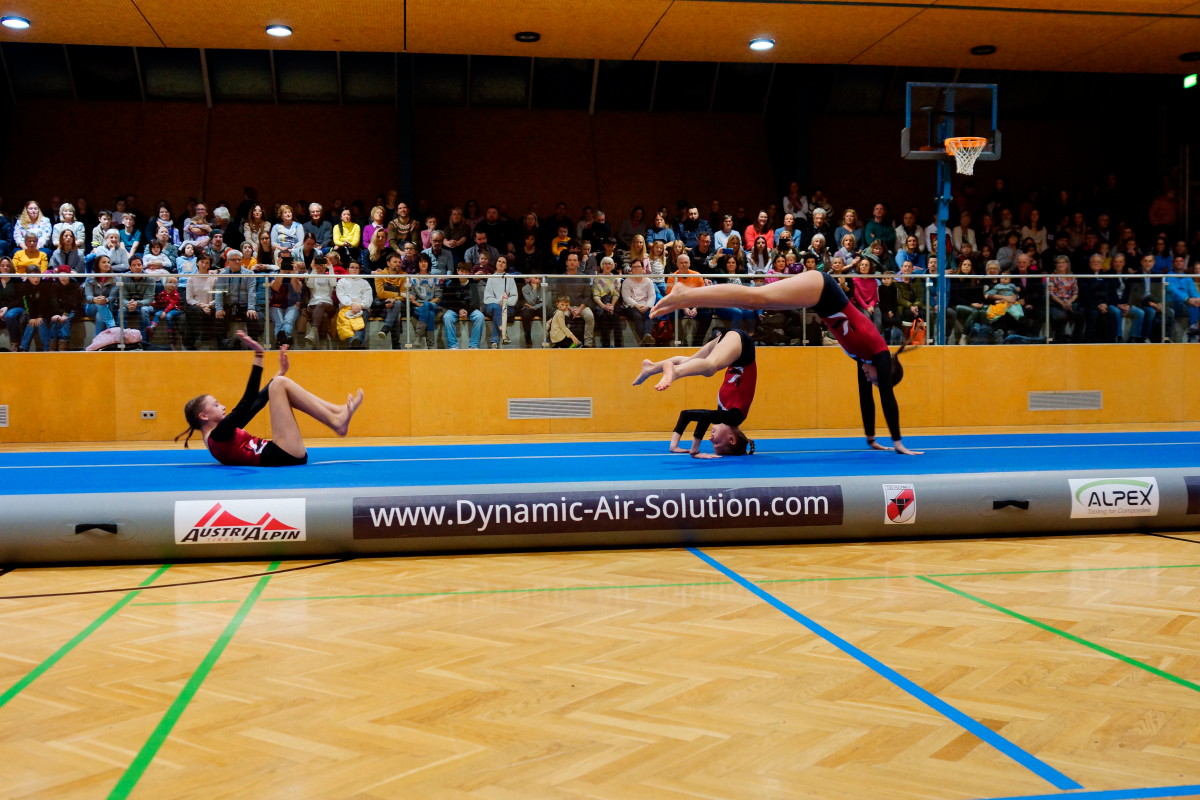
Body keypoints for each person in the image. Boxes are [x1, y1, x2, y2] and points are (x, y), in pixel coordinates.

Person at [651, 270, 921, 455]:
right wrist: (898, 442)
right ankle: (686, 293)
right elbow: (886, 398)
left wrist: (871, 439)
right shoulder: (879, 353)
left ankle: (688, 295)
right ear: (883, 371)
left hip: (820, 298)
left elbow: (866, 399)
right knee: (757, 298)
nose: (869, 379)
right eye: (875, 379)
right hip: (823, 290)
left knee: (755, 300)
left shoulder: (864, 358)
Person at [176, 331, 364, 467]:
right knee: (279, 384)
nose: (222, 406)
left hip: (285, 452)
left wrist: (281, 371)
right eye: (216, 405)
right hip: (283, 454)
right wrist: (258, 355)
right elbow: (247, 400)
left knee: (279, 383)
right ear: (203, 416)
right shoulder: (218, 435)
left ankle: (337, 412)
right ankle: (336, 420)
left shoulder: (220, 436)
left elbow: (256, 403)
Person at [632, 328, 757, 458]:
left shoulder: (724, 414)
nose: (710, 439)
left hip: (734, 346)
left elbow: (686, 415)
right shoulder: (735, 417)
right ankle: (675, 372)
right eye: (716, 443)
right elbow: (706, 417)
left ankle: (651, 368)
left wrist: (674, 445)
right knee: (710, 367)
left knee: (688, 362)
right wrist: (695, 451)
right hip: (743, 350)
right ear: (732, 439)